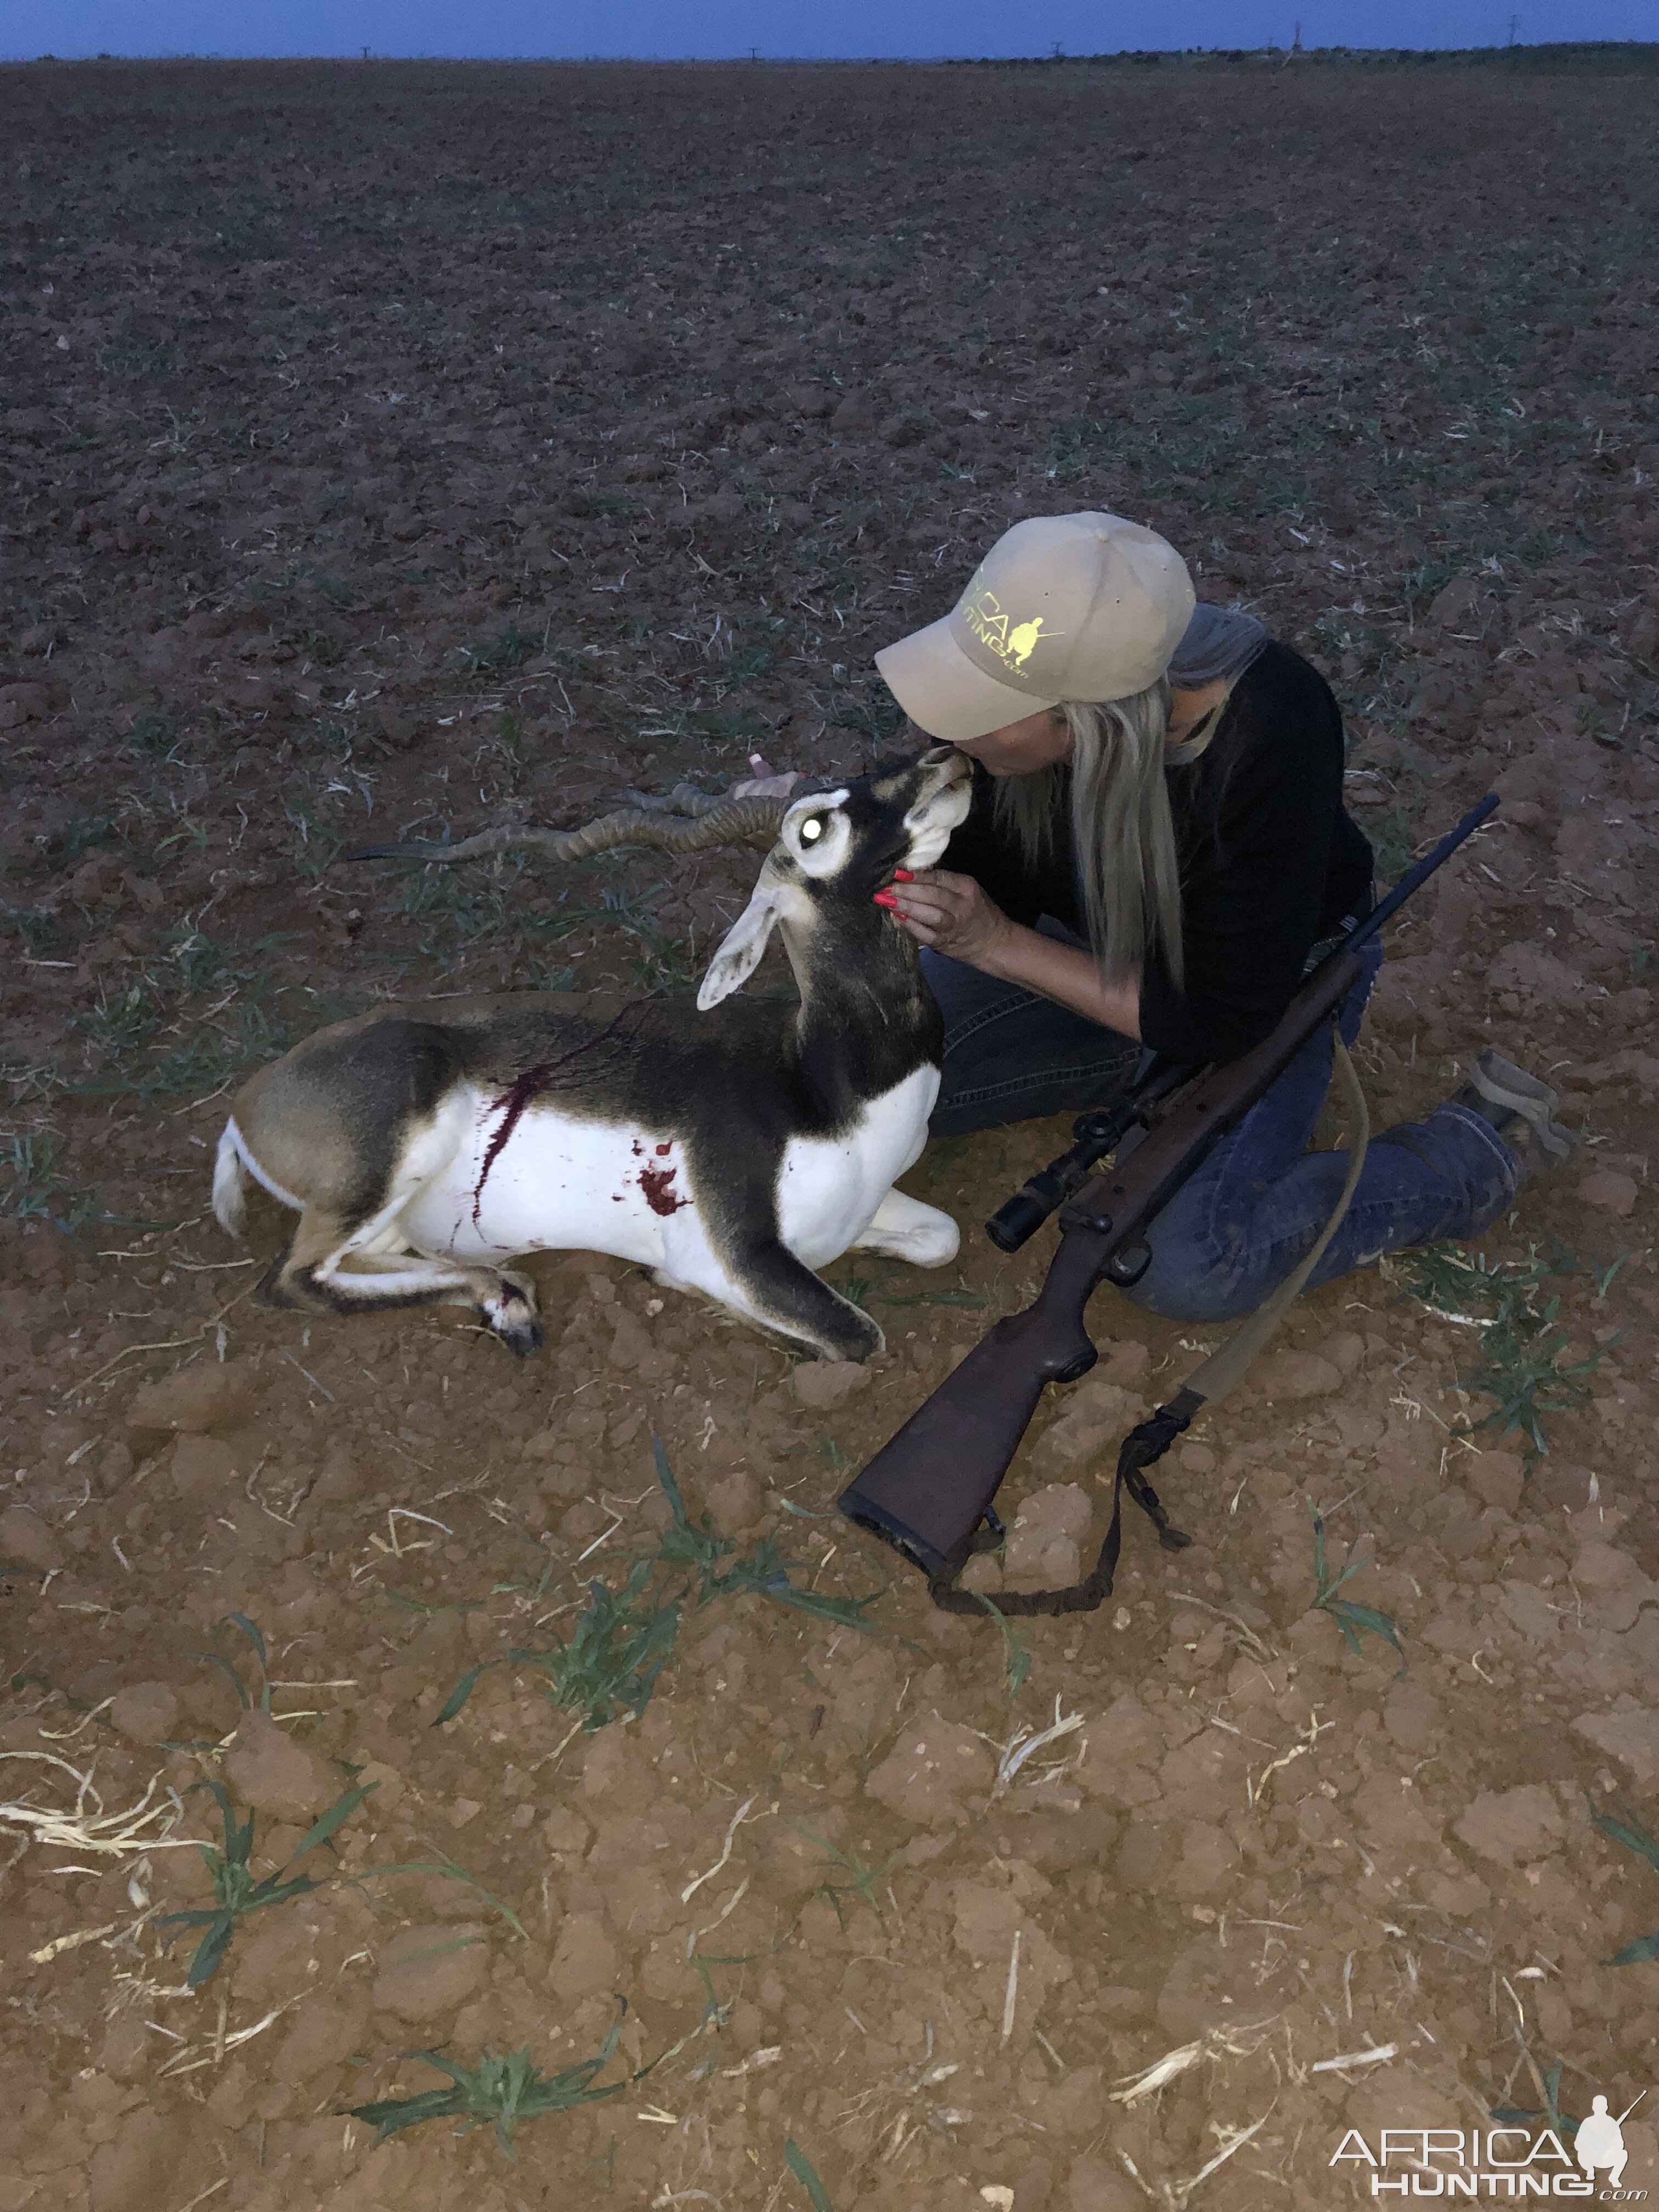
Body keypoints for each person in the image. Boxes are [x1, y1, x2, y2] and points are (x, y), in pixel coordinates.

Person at [750, 511, 1573, 1324]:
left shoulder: (1270, 732)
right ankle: (1124, 1069)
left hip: (1260, 993)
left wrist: (995, 946)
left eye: (984, 701)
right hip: (1091, 956)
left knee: (1190, 1263)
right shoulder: (1029, 733)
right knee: (863, 1080)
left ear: (1088, 723)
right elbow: (983, 852)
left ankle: (1469, 1158)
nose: (947, 722)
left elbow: (1221, 1012)